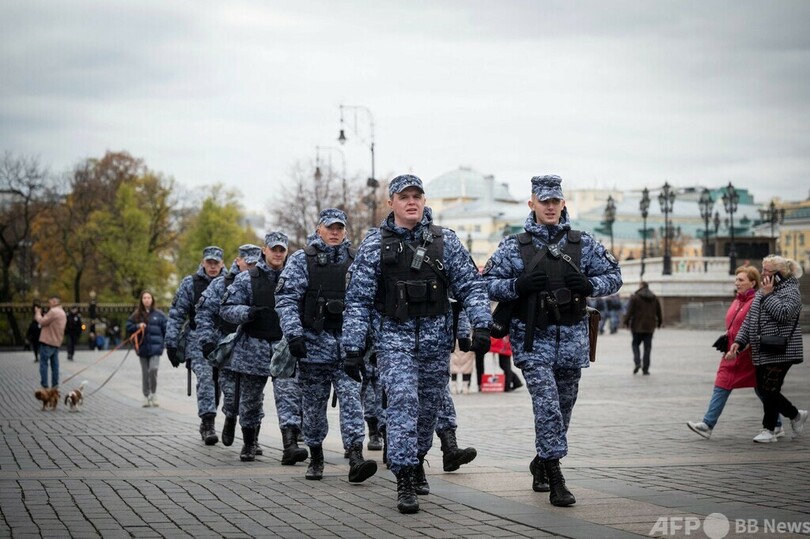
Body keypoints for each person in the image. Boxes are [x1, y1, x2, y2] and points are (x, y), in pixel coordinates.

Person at [342, 175, 492, 514]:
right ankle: (405, 476)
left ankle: (418, 457)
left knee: (427, 411)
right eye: (404, 196)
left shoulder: (445, 241)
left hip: (435, 343)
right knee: (402, 402)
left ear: (424, 201)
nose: (411, 202)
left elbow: (470, 285)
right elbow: (358, 300)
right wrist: (352, 347)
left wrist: (481, 324)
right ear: (391, 203)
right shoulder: (374, 245)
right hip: (394, 342)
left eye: (417, 196)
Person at [483, 175, 622, 507]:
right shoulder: (514, 246)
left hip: (572, 337)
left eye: (555, 201)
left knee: (563, 408)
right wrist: (518, 285)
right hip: (533, 338)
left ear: (563, 203)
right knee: (546, 404)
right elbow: (485, 283)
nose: (549, 207)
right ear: (531, 203)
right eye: (543, 201)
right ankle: (556, 475)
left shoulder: (582, 243)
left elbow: (615, 276)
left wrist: (589, 285)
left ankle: (542, 461)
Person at [275, 210, 377, 484]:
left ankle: (355, 456)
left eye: (339, 228)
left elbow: (369, 302)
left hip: (348, 349)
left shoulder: (356, 260)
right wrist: (294, 335)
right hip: (313, 347)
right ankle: (316, 455)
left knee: (352, 401)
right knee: (313, 407)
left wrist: (369, 341)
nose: (334, 232)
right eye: (330, 227)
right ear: (318, 228)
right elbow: (286, 299)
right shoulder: (302, 260)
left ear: (345, 231)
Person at [220, 236, 307, 463]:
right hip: (252, 348)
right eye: (274, 249)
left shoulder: (295, 277)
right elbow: (226, 308)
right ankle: (249, 443)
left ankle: (290, 445)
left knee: (289, 396)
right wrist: (247, 312)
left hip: (284, 348)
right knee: (250, 401)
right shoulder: (246, 279)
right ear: (264, 250)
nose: (278, 254)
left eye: (282, 250)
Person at [686, 266, 788, 439]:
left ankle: (787, 418)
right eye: (736, 279)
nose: (737, 283)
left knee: (762, 390)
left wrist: (741, 346)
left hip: (748, 355)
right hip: (731, 353)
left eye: (741, 280)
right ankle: (707, 424)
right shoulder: (737, 301)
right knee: (723, 383)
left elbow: (757, 328)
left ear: (753, 283)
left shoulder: (756, 301)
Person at [727, 255, 806, 443]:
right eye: (763, 270)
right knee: (766, 390)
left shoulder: (791, 291)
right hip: (763, 349)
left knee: (768, 390)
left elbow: (784, 314)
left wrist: (769, 295)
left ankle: (769, 429)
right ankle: (794, 416)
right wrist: (740, 341)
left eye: (767, 271)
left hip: (782, 350)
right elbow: (750, 319)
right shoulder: (762, 291)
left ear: (779, 274)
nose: (763, 274)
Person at [166, 246, 225, 445]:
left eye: (216, 263)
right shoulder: (190, 283)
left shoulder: (231, 282)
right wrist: (171, 343)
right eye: (209, 262)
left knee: (219, 383)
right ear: (203, 263)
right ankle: (208, 423)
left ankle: (211, 416)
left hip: (223, 341)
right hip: (197, 340)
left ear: (222, 264)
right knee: (206, 379)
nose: (213, 266)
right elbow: (176, 314)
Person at [126, 291, 168, 407]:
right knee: (145, 373)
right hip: (142, 348)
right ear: (141, 300)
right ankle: (146, 396)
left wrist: (165, 344)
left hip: (156, 348)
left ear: (152, 299)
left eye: (149, 297)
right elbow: (128, 326)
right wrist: (137, 326)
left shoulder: (159, 315)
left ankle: (153, 394)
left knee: (153, 370)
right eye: (144, 298)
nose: (147, 300)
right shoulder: (137, 314)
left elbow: (166, 329)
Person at [623, 282, 662, 375]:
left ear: (640, 287)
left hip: (637, 326)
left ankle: (637, 362)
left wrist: (626, 322)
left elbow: (629, 311)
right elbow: (659, 311)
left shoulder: (635, 298)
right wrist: (659, 322)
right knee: (647, 348)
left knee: (635, 344)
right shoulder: (654, 298)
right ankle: (645, 369)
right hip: (650, 326)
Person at [35, 295, 67, 389]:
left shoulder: (53, 311)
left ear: (54, 302)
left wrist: (37, 313)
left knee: (44, 364)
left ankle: (44, 385)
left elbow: (42, 321)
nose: (49, 304)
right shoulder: (62, 312)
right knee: (55, 365)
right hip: (56, 342)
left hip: (47, 342)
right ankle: (55, 385)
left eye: (50, 302)